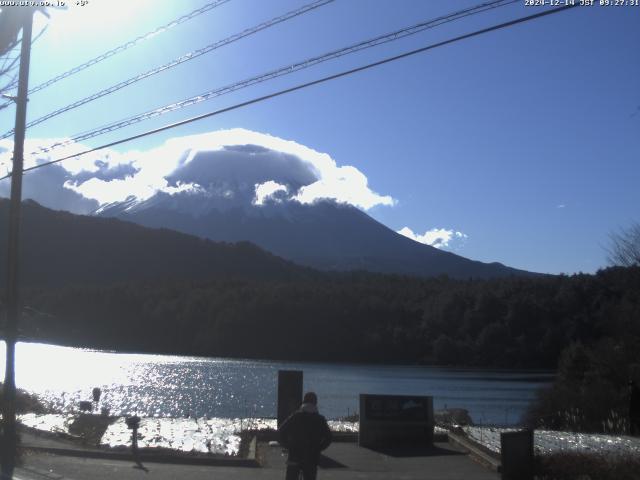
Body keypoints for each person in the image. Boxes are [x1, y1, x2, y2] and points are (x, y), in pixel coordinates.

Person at [278, 392, 332, 480]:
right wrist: (319, 448)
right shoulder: (320, 419)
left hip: (294, 455)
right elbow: (329, 438)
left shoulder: (295, 416)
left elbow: (281, 431)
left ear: (303, 402)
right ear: (315, 403)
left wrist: (288, 445)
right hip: (312, 458)